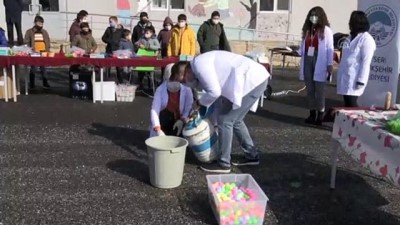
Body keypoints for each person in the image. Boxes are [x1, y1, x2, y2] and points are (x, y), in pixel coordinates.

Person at [181, 51, 270, 173]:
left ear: (187, 71)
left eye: (183, 80)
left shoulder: (199, 65)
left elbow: (214, 92)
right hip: (254, 78)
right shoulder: (200, 65)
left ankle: (223, 164)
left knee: (225, 120)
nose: (186, 84)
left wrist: (199, 103)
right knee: (236, 120)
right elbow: (216, 99)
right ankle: (252, 155)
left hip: (251, 80)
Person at [299, 6, 334, 125]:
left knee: (320, 90)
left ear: (320, 17)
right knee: (310, 89)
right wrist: (297, 51)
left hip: (320, 59)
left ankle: (321, 113)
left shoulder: (326, 30)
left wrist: (330, 64)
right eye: (311, 16)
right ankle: (312, 113)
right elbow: (303, 46)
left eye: (315, 16)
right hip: (308, 59)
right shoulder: (308, 30)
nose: (313, 18)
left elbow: (330, 48)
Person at [337, 11, 376, 107]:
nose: (350, 23)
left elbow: (365, 62)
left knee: (352, 105)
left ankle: (357, 121)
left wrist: (361, 80)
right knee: (347, 105)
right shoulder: (349, 38)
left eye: (353, 21)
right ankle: (348, 122)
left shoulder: (366, 39)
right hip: (345, 76)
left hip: (354, 78)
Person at [150, 63, 193, 137]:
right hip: (164, 121)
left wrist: (182, 120)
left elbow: (189, 107)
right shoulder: (160, 90)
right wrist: (158, 129)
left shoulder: (187, 89)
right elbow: (154, 110)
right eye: (171, 79)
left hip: (179, 121)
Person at [24, 15, 51, 89]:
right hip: (34, 52)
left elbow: (47, 41)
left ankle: (45, 83)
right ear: (35, 23)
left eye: (42, 23)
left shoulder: (44, 32)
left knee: (43, 68)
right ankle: (32, 84)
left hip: (43, 52)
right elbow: (26, 42)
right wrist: (30, 50)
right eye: (39, 23)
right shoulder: (29, 32)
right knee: (33, 68)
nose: (41, 25)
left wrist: (47, 50)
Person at [102, 16, 124, 82]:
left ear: (116, 22)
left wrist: (119, 43)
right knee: (108, 66)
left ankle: (120, 82)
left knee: (119, 67)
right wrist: (110, 41)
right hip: (109, 50)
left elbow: (124, 38)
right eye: (109, 22)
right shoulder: (108, 29)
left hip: (118, 51)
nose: (110, 23)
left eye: (111, 22)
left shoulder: (121, 30)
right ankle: (107, 81)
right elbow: (103, 38)